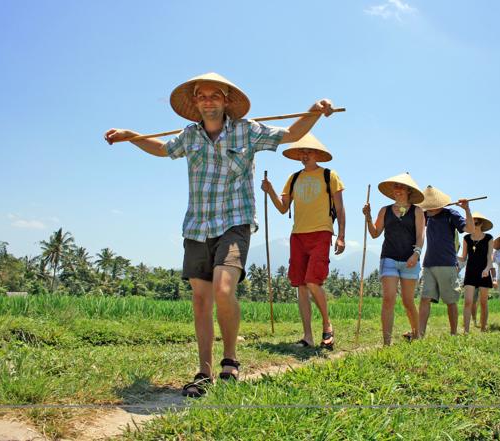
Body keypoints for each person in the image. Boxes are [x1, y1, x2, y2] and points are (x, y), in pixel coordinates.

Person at [104, 72, 335, 396]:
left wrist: (313, 112)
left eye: (215, 95)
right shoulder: (189, 136)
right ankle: (204, 372)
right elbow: (161, 149)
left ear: (226, 101)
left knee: (224, 289)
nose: (208, 100)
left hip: (234, 222)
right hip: (197, 225)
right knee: (201, 300)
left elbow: (292, 133)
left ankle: (231, 358)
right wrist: (131, 136)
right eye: (202, 95)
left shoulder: (247, 130)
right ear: (196, 102)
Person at [261, 133, 345, 349]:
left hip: (322, 232)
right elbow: (282, 208)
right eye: (302, 152)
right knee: (301, 286)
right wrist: (270, 190)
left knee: (312, 281)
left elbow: (340, 208)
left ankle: (327, 325)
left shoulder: (329, 176)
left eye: (308, 151)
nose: (304, 155)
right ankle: (307, 336)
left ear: (317, 154)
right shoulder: (294, 178)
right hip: (298, 234)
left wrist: (341, 236)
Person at [363, 173, 424, 345]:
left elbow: (420, 236)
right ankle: (387, 342)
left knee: (407, 301)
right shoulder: (385, 210)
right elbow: (375, 233)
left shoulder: (417, 211)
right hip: (389, 258)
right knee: (389, 298)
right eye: (395, 187)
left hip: (410, 260)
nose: (397, 190)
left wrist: (416, 254)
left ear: (408, 190)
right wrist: (368, 217)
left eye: (401, 187)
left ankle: (416, 334)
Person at [418, 186, 473, 336]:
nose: (429, 209)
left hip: (447, 264)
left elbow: (470, 229)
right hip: (428, 264)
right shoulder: (425, 215)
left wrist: (467, 209)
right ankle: (420, 334)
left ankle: (454, 333)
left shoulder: (450, 214)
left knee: (450, 301)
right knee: (424, 299)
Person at [459, 213, 494, 333]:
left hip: (484, 272)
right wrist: (451, 255)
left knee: (483, 303)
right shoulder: (466, 238)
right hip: (470, 272)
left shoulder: (489, 238)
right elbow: (463, 258)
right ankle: (466, 331)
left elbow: (490, 258)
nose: (474, 224)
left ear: (482, 224)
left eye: (477, 222)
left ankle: (483, 328)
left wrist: (487, 269)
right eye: (472, 222)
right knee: (468, 301)